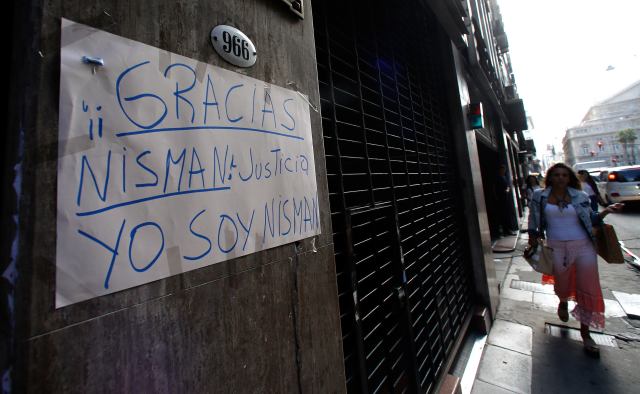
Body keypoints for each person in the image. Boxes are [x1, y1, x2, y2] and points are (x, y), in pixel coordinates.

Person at [527, 163, 623, 356]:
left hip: (584, 246)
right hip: (556, 246)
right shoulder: (540, 196)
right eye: (557, 175)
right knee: (562, 285)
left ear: (569, 177)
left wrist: (607, 211)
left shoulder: (581, 196)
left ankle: (586, 334)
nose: (561, 178)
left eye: (564, 175)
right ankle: (563, 301)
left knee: (588, 288)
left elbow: (592, 219)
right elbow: (534, 220)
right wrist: (532, 238)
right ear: (550, 177)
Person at [495, 164, 516, 236]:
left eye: (504, 170)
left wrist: (508, 189)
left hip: (506, 198)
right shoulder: (498, 178)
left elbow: (507, 186)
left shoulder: (504, 177)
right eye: (502, 170)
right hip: (502, 198)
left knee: (508, 213)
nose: (503, 171)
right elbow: (497, 189)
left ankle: (508, 229)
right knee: (504, 214)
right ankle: (506, 230)